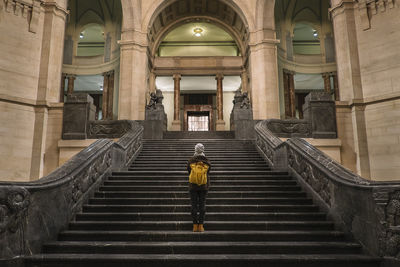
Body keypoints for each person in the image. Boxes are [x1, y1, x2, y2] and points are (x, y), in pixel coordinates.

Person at [187, 143, 211, 232]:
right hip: (204, 186)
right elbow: (208, 172)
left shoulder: (191, 161)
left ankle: (194, 225)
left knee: (194, 205)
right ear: (203, 150)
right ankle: (201, 225)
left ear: (195, 150)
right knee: (202, 205)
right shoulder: (207, 161)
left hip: (193, 186)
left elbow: (189, 171)